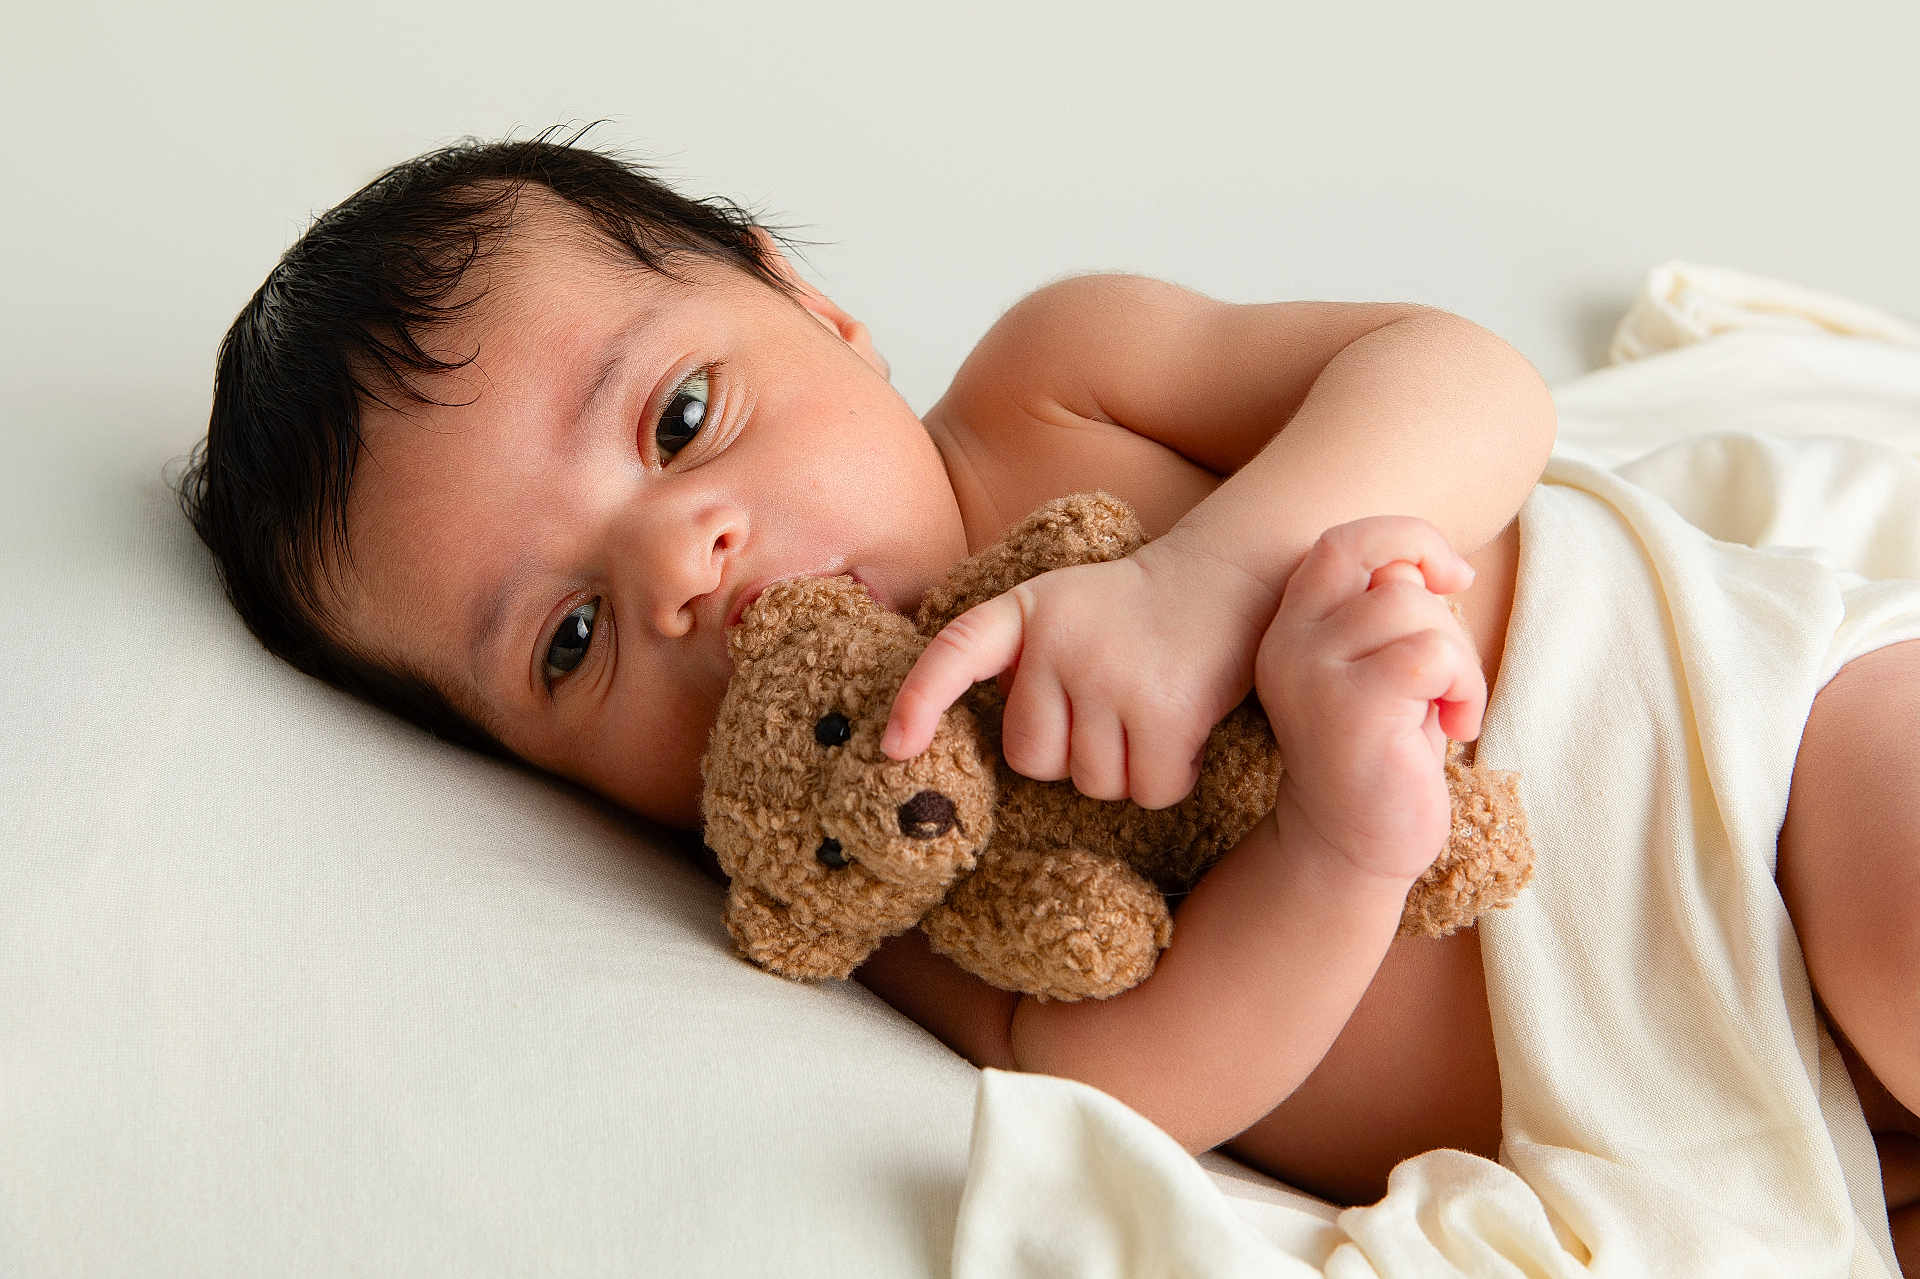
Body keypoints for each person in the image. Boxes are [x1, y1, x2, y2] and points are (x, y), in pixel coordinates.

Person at [175, 126, 1918, 1268]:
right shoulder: (864, 867)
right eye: (567, 642)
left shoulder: (1057, 389)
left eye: (681, 419)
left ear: (812, 304)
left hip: (1740, 745)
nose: (680, 566)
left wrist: (1213, 575)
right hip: (1668, 1110)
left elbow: (1458, 382)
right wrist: (1336, 849)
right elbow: (1126, 1087)